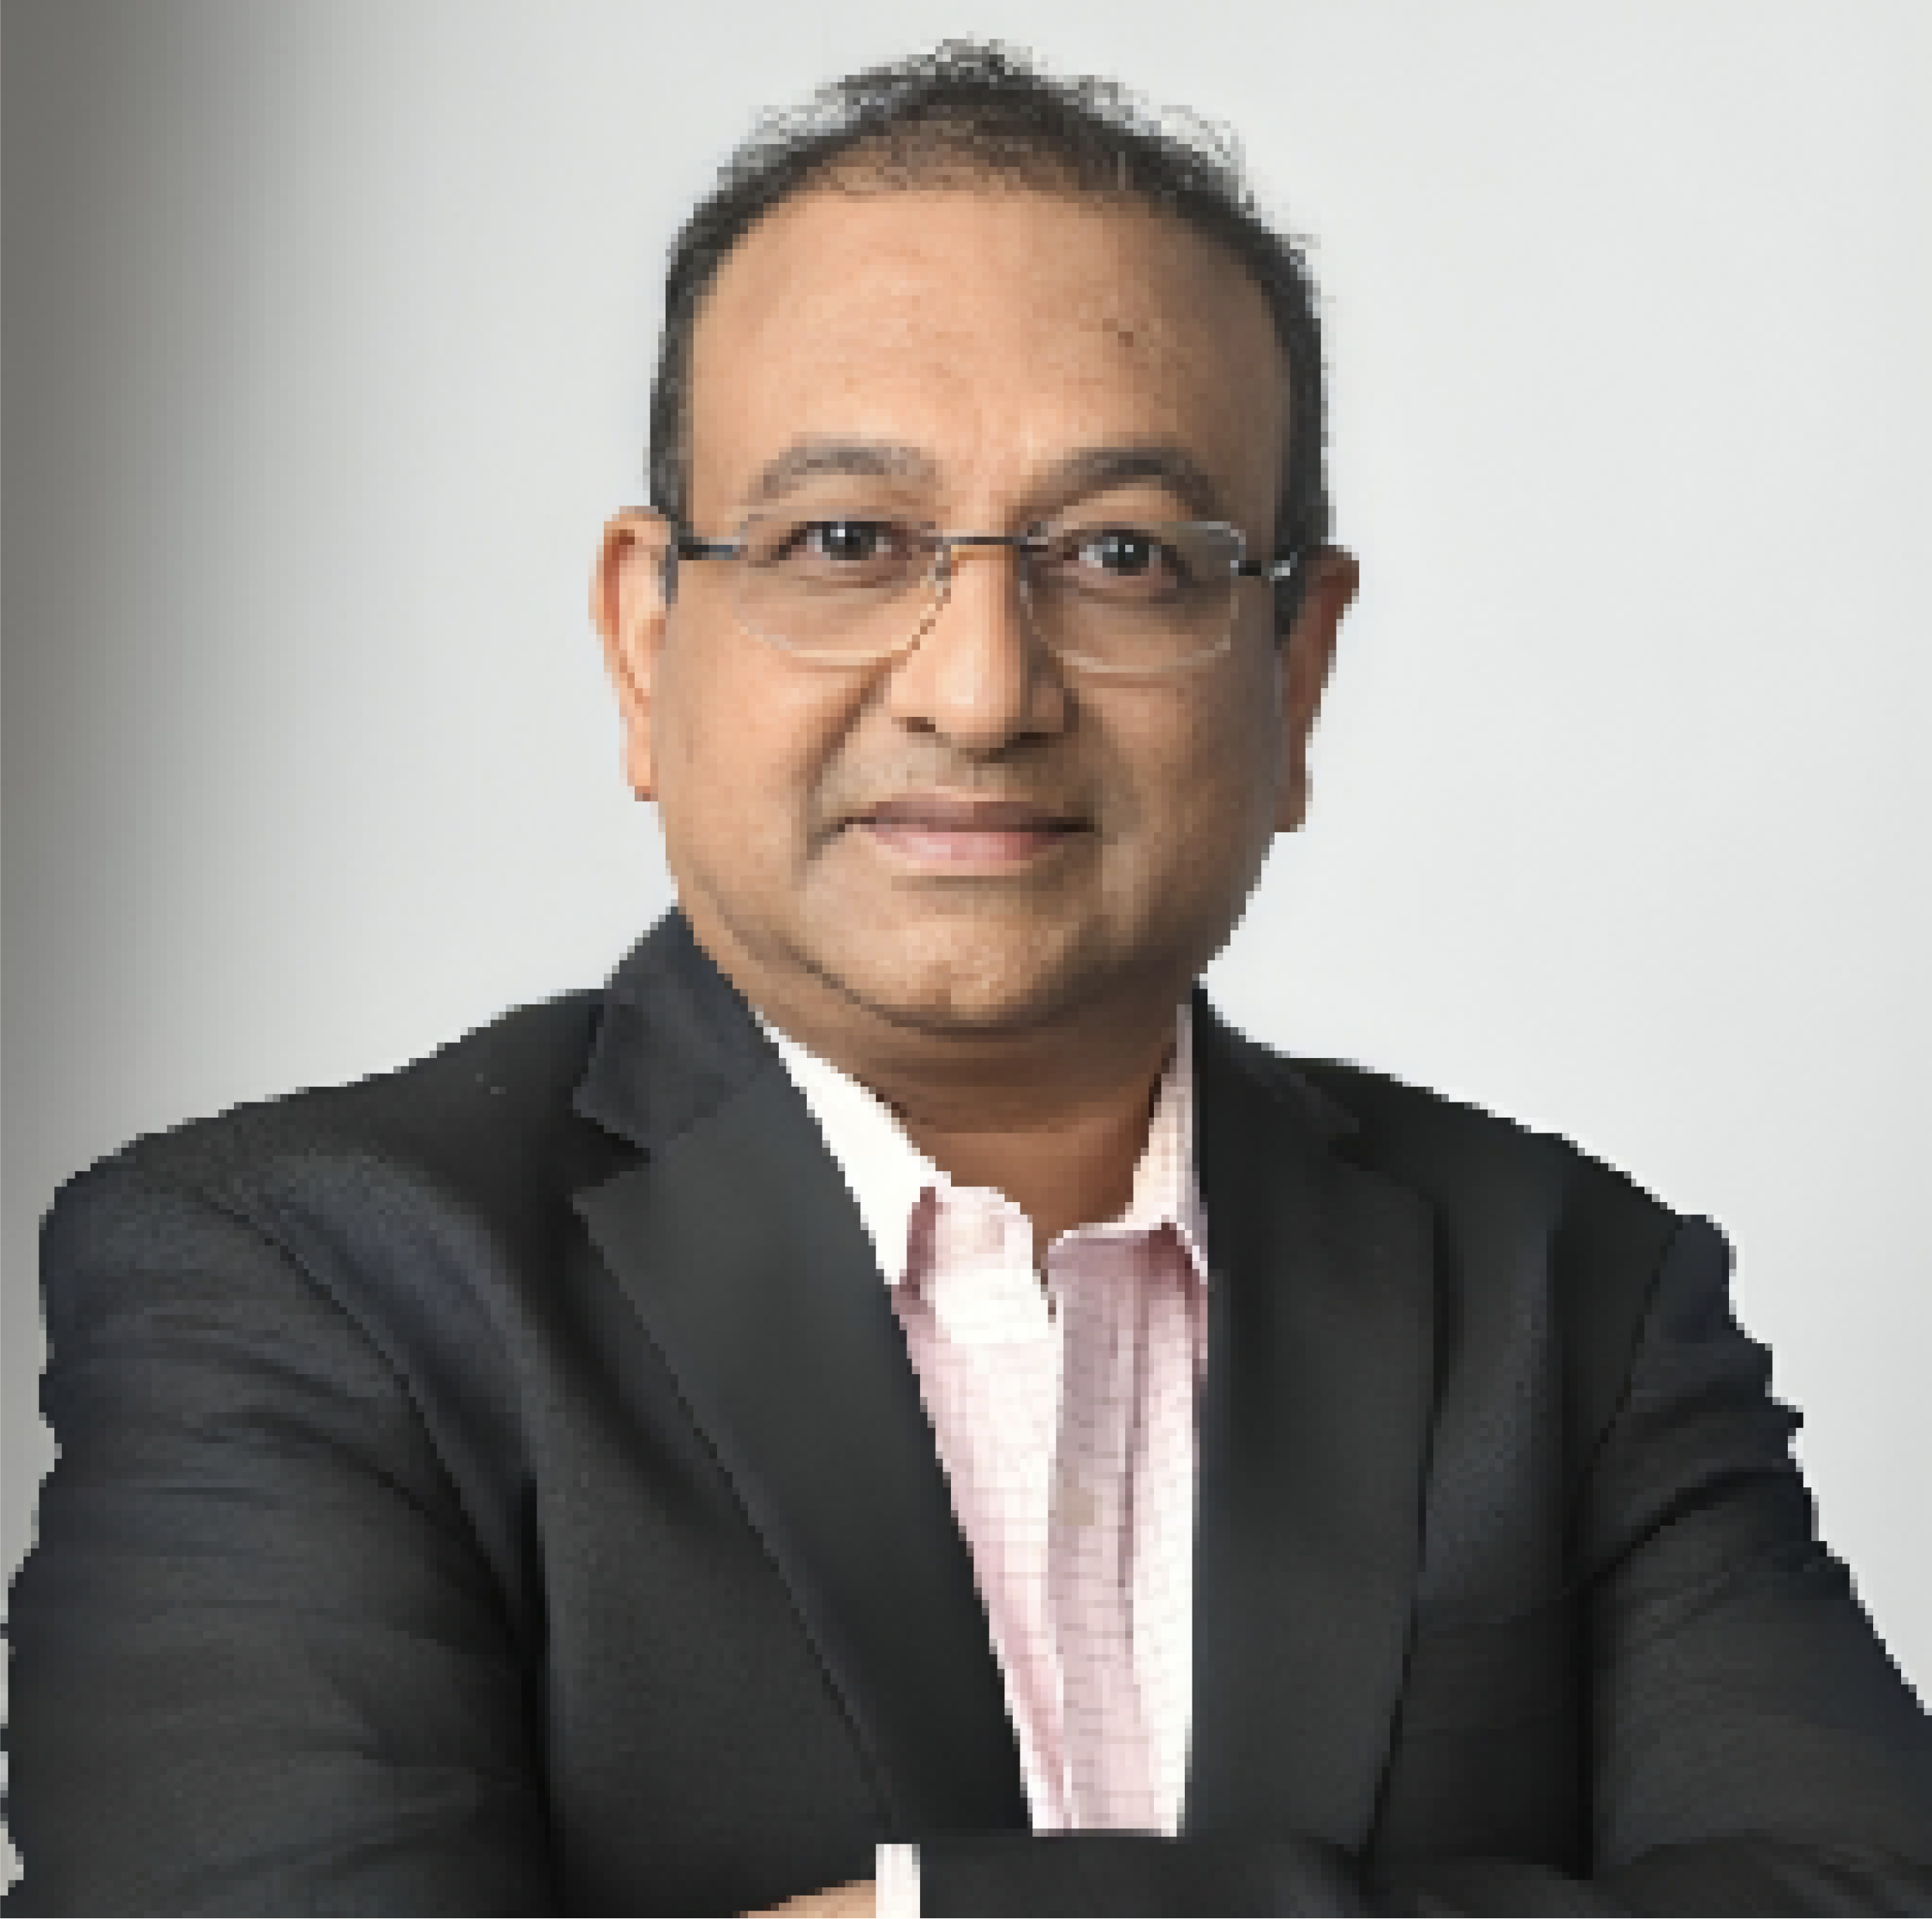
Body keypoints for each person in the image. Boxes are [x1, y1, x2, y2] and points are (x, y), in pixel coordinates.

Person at [8, 39, 1930, 1919]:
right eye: (845, 540)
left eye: (1123, 556)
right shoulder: (299, 1282)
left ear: (1294, 670)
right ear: (644, 639)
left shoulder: (1569, 1300)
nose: (982, 687)